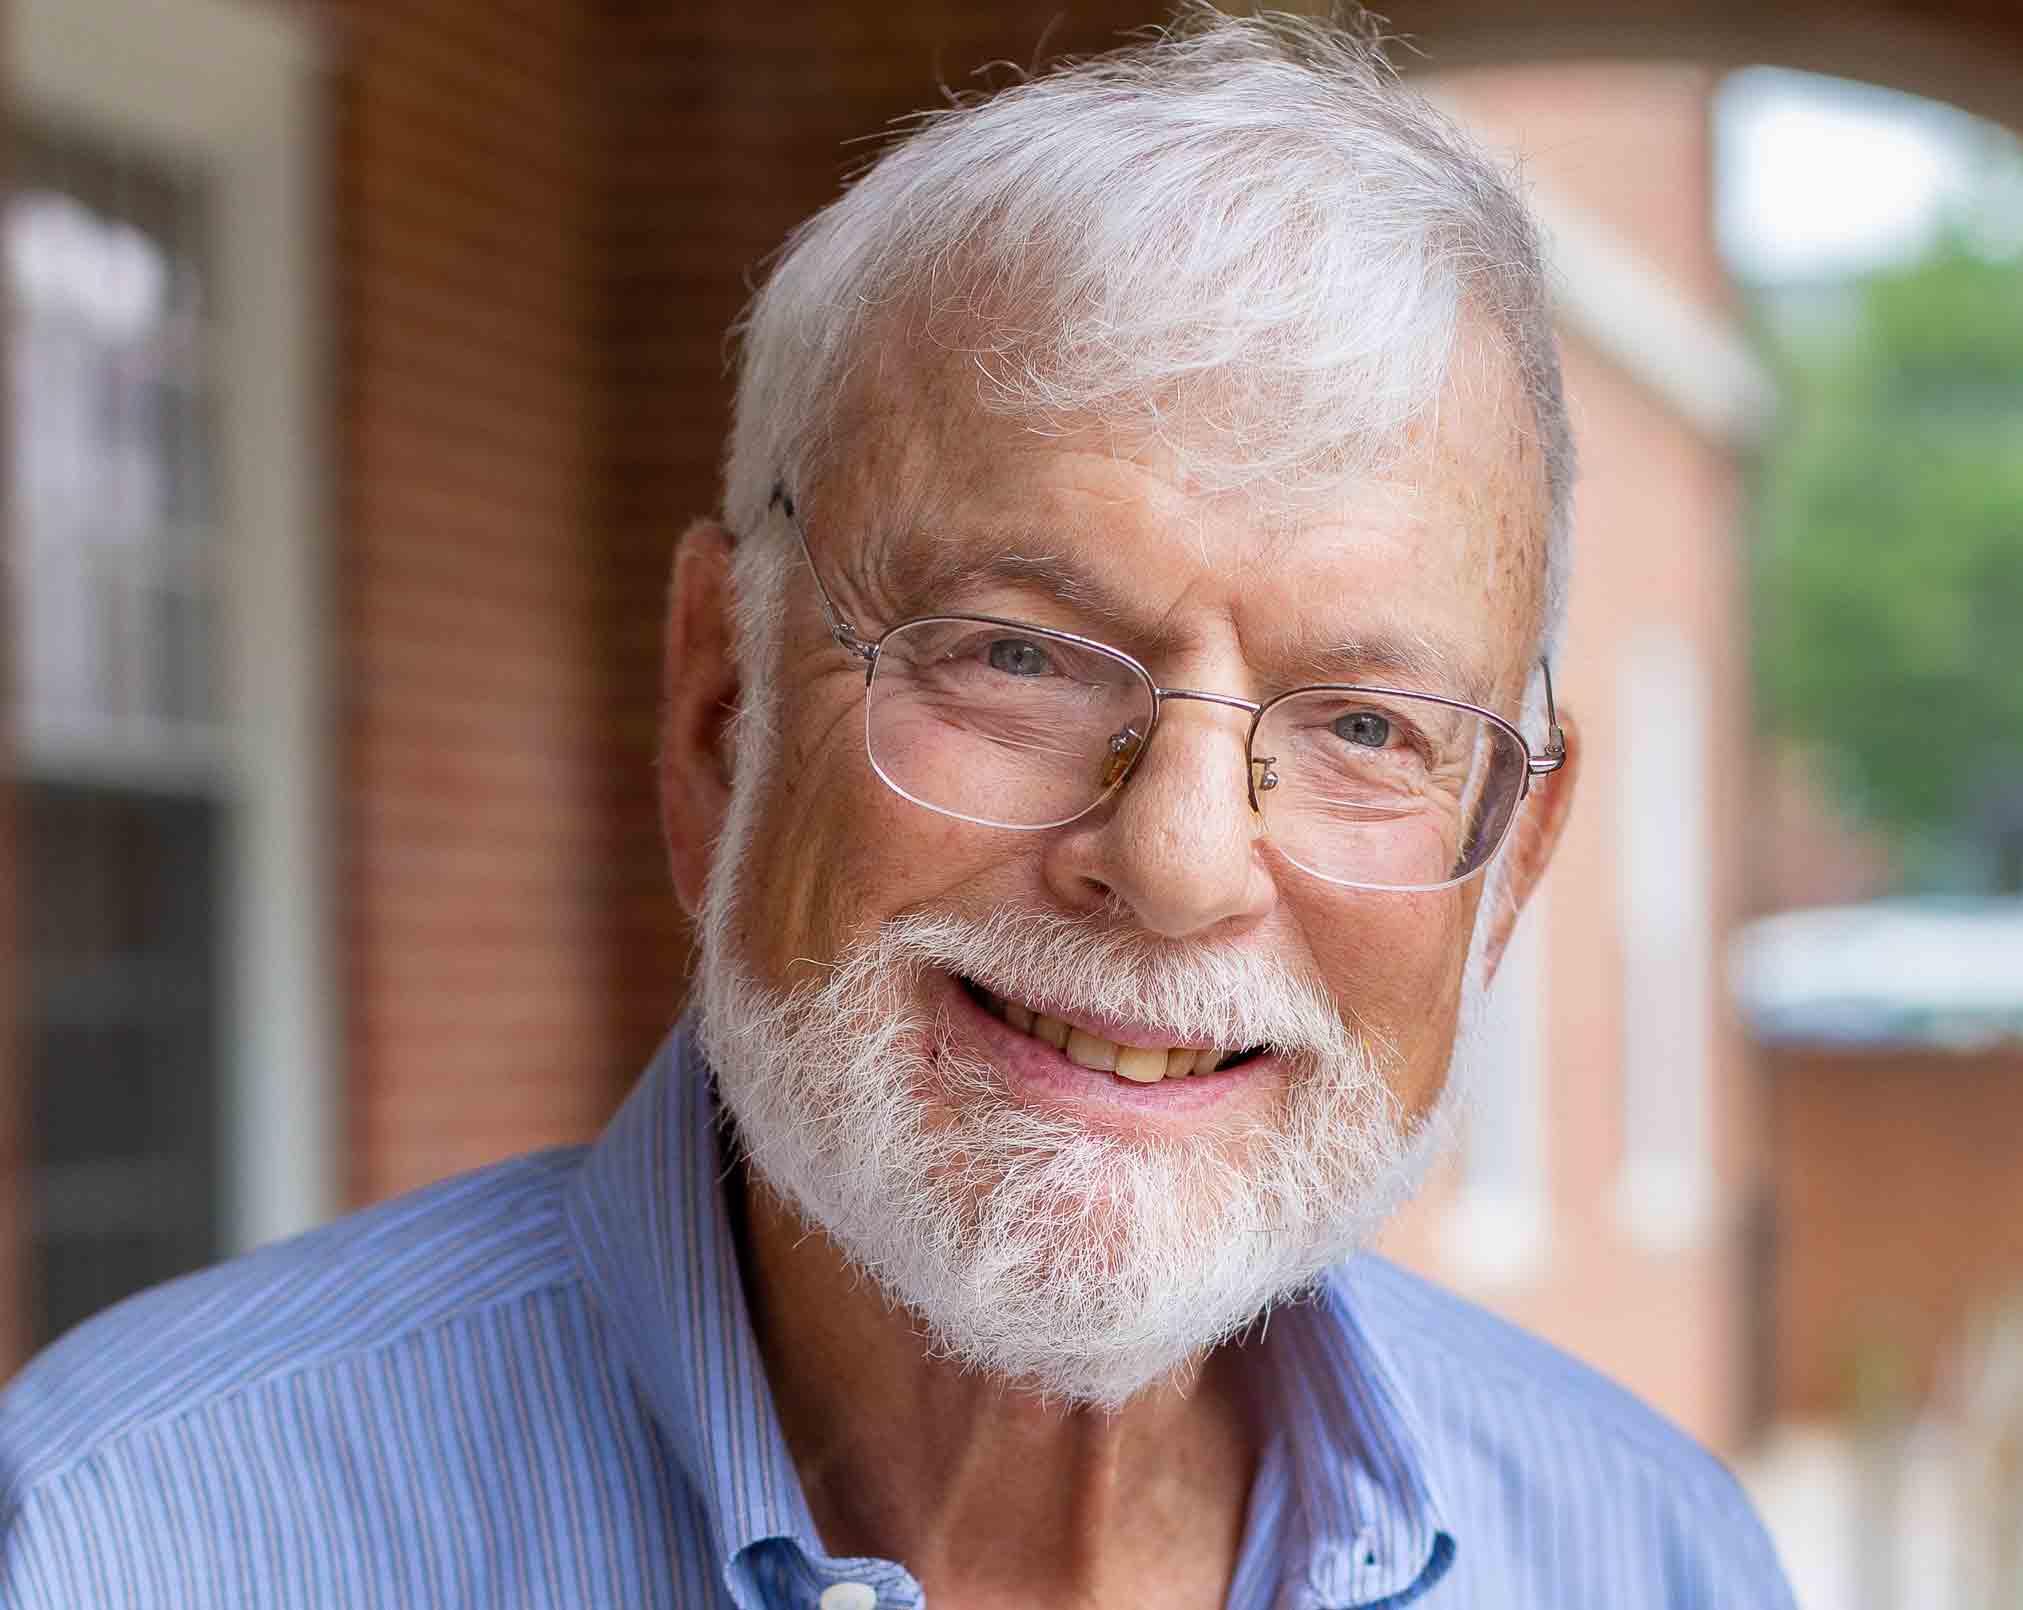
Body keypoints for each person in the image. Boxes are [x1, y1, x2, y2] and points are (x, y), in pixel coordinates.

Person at [0, 11, 1793, 1607]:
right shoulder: (127, 1536)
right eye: (1016, 653)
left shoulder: (1644, 1552)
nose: (1173, 862)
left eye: (1364, 726)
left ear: (1510, 874)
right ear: (721, 705)